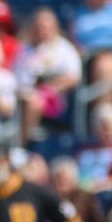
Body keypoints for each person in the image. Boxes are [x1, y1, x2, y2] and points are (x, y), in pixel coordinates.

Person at [13, 8, 83, 142]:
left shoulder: (64, 49)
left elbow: (74, 77)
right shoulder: (26, 50)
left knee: (34, 101)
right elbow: (17, 76)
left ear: (55, 27)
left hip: (55, 98)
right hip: (25, 94)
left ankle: (23, 143)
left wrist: (48, 88)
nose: (42, 31)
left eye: (45, 27)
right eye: (38, 27)